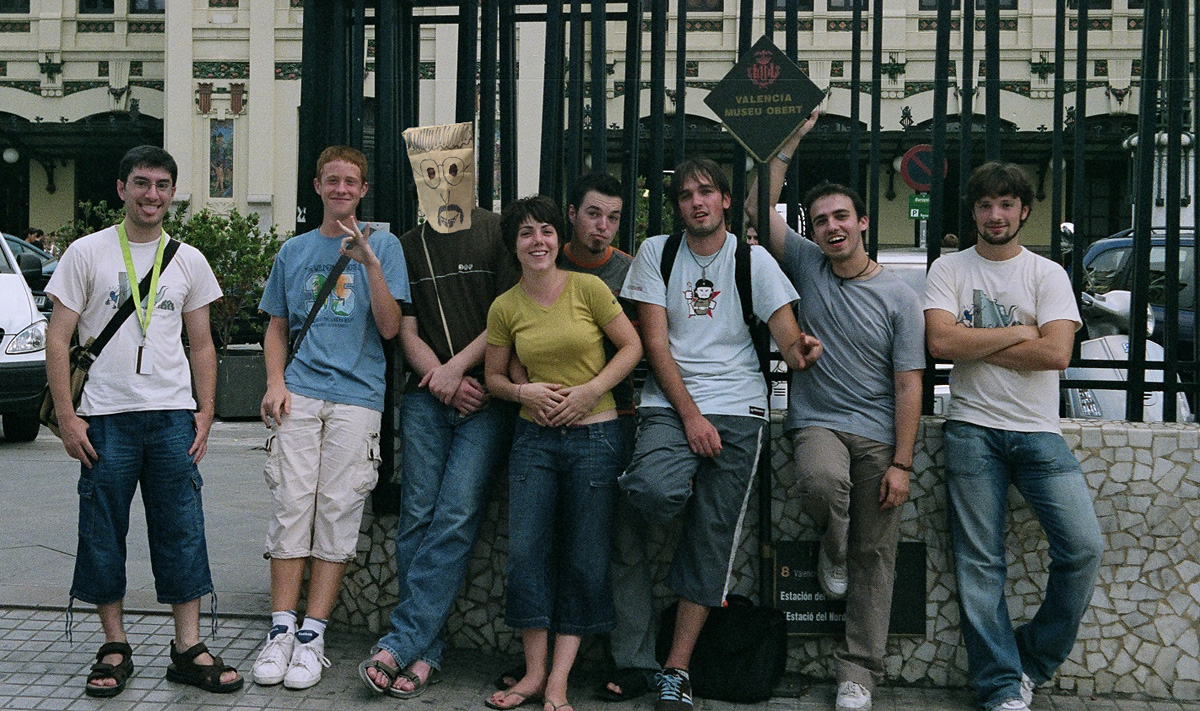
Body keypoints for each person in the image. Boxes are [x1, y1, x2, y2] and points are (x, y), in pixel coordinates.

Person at [619, 157, 822, 711]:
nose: (697, 202)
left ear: (726, 200)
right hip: (671, 403)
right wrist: (690, 419)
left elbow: (788, 340)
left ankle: (677, 670)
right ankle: (681, 481)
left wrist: (802, 351)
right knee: (653, 490)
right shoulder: (657, 253)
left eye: (706, 192)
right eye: (686, 195)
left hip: (738, 407)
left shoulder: (752, 260)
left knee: (712, 537)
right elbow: (655, 345)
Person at [44, 145, 242, 697]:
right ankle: (114, 644)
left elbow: (202, 344)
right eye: (141, 183)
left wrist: (206, 412)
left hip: (172, 416)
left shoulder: (188, 260)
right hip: (104, 418)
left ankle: (188, 646)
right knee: (102, 529)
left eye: (161, 185)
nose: (151, 195)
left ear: (172, 193)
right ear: (122, 188)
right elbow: (57, 339)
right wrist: (67, 417)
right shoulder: (87, 252)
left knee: (182, 528)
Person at [746, 115, 925, 711]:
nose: (831, 227)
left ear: (863, 222)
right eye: (821, 220)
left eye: (841, 216)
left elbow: (909, 384)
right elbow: (756, 207)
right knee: (822, 482)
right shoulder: (806, 264)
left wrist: (902, 462)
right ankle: (835, 542)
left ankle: (858, 672)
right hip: (818, 421)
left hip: (878, 435)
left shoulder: (900, 296)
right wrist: (790, 140)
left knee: (878, 555)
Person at [924, 162, 1103, 711]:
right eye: (985, 205)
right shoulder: (949, 268)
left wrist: (976, 341)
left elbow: (1056, 353)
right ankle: (1000, 685)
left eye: (1006, 204)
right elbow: (940, 344)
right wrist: (1020, 331)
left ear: (1024, 211)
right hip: (972, 429)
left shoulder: (1047, 274)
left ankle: (1032, 659)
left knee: (1083, 548)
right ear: (974, 212)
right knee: (980, 564)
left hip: (1038, 433)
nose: (995, 215)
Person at [360, 121, 519, 698]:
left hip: (487, 398)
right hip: (427, 395)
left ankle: (400, 642)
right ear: (418, 177)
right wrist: (443, 381)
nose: (443, 180)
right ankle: (424, 651)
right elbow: (405, 328)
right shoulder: (406, 245)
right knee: (417, 519)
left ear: (469, 172)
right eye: (431, 171)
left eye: (454, 169)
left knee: (454, 516)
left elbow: (508, 316)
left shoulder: (499, 232)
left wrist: (458, 373)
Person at [251, 145, 409, 690]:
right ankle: (280, 630)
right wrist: (275, 383)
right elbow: (276, 325)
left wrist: (370, 264)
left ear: (363, 190)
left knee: (338, 510)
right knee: (291, 505)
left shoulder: (384, 244)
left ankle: (312, 635)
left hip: (357, 397)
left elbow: (390, 328)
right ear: (317, 186)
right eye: (332, 180)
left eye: (351, 181)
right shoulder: (294, 251)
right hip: (299, 393)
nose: (341, 188)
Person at [483, 195, 642, 711]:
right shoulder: (505, 307)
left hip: (596, 438)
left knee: (585, 557)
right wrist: (522, 392)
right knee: (526, 554)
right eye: (526, 233)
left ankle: (558, 681)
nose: (538, 241)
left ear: (559, 237)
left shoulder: (588, 288)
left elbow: (633, 347)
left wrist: (591, 391)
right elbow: (493, 376)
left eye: (547, 231)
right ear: (514, 245)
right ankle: (533, 674)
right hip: (534, 440)